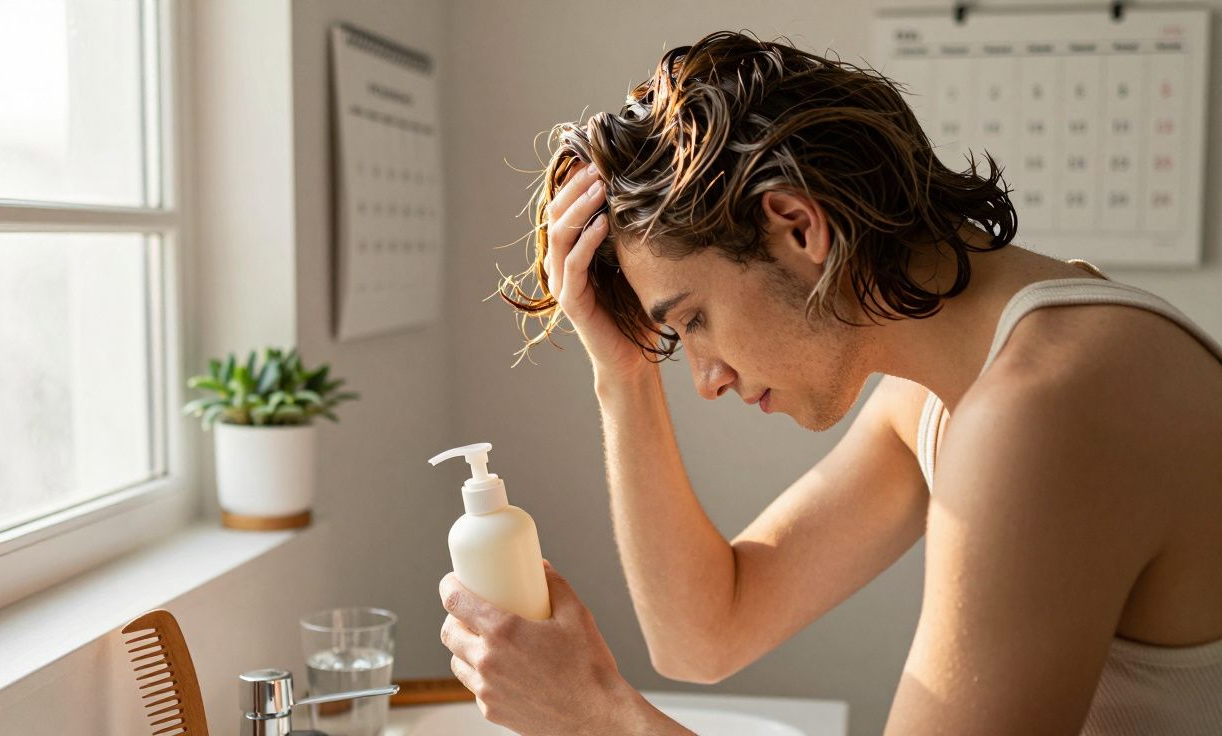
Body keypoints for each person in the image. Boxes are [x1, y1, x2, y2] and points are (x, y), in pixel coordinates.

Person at [437, 30, 1222, 735]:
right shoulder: (961, 381)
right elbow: (705, 633)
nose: (704, 380)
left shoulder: (1044, 410)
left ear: (800, 227)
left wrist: (593, 717)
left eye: (694, 318)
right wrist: (625, 370)